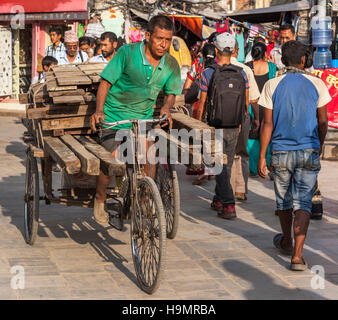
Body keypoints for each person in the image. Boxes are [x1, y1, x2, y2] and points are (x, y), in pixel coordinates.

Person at [89, 15, 181, 225]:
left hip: (143, 121)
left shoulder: (171, 64)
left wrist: (167, 107)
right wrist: (99, 111)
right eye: (159, 39)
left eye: (167, 40)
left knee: (150, 158)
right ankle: (100, 197)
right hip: (114, 118)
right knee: (113, 159)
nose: (163, 44)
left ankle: (145, 198)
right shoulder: (127, 53)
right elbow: (105, 83)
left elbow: (171, 93)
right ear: (148, 36)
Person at [258, 40, 331, 271]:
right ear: (303, 61)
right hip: (308, 150)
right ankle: (297, 256)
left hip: (280, 151)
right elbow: (323, 121)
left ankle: (287, 241)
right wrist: (318, 144)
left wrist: (262, 155)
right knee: (304, 203)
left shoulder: (272, 84)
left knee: (284, 202)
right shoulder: (317, 83)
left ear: (282, 60)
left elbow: (266, 123)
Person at [196, 33, 249, 219]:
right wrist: (242, 121)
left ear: (216, 50)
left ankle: (228, 205)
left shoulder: (208, 72)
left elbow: (201, 103)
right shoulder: (241, 72)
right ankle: (218, 199)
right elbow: (246, 102)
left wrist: (198, 123)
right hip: (235, 124)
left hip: (214, 125)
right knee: (225, 164)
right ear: (234, 50)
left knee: (219, 165)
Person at [229, 40, 261, 201]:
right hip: (242, 116)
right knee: (241, 152)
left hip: (221, 119)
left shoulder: (213, 69)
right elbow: (254, 99)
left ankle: (226, 191)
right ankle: (240, 190)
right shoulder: (246, 70)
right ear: (237, 50)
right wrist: (256, 118)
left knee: (225, 154)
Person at [245, 42, 277, 177]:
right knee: (267, 134)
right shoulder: (272, 67)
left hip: (252, 106)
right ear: (265, 53)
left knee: (251, 136)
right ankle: (266, 165)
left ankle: (253, 169)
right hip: (267, 106)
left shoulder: (247, 67)